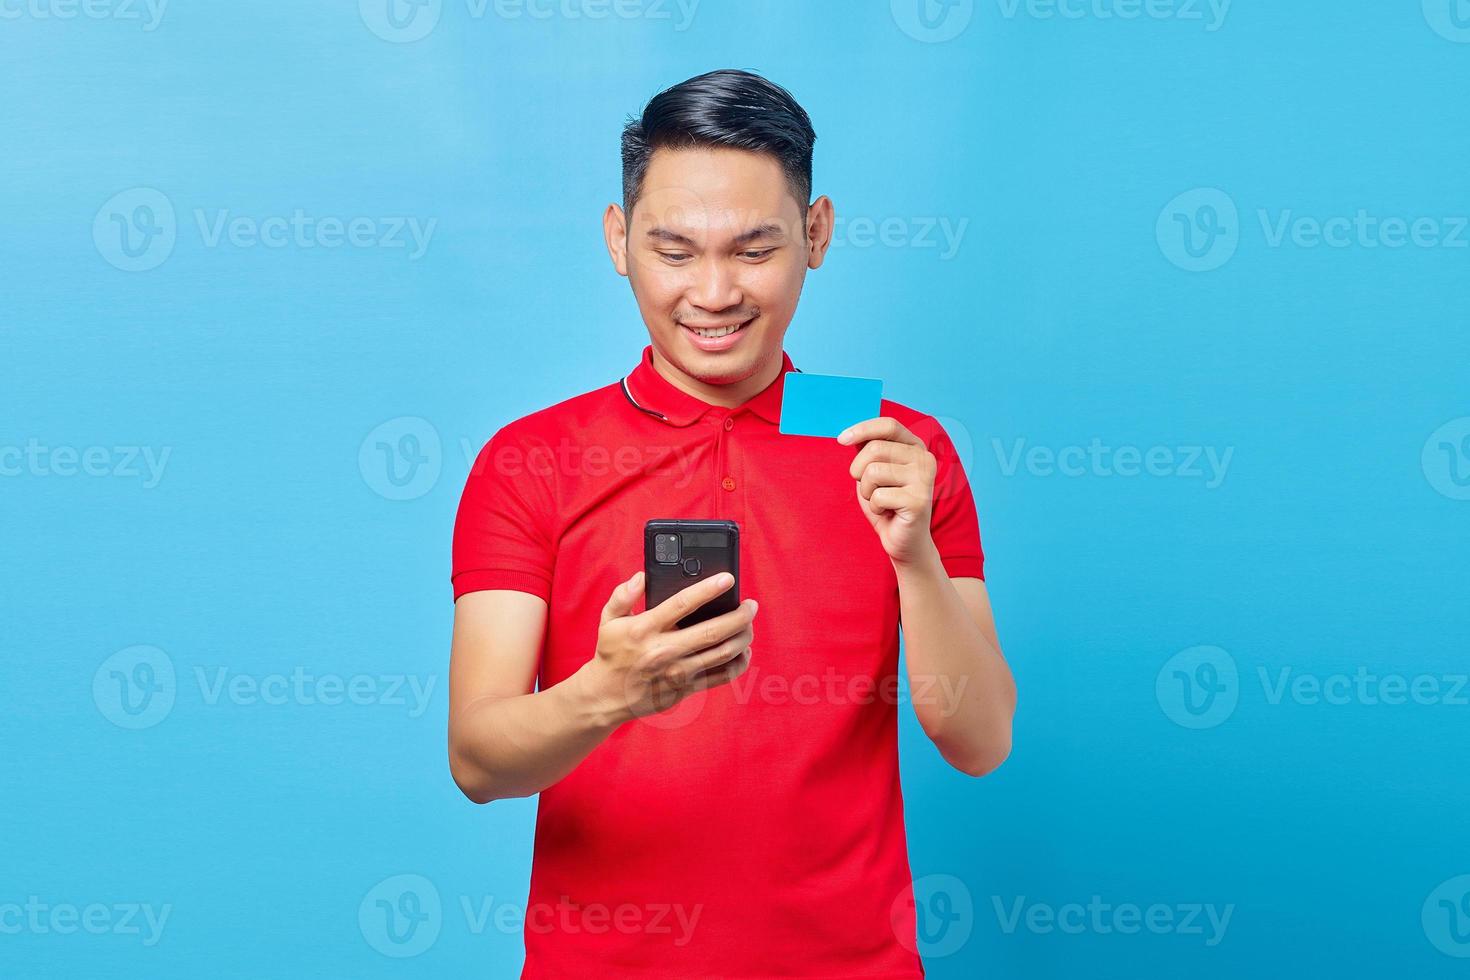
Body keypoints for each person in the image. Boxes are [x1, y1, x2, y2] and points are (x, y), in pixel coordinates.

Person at [447, 68, 1016, 978]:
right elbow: (479, 760)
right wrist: (608, 693)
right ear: (619, 240)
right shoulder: (535, 458)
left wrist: (914, 557)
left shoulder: (892, 448)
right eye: (674, 251)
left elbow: (978, 739)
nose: (713, 293)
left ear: (816, 235)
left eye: (754, 249)